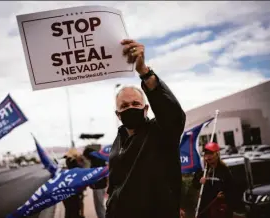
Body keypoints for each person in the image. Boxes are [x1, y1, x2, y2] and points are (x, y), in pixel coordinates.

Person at [105, 39, 186, 218]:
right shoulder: (118, 141)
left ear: (146, 108)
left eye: (136, 103)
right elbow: (116, 184)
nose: (130, 108)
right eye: (124, 106)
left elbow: (173, 113)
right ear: (118, 114)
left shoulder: (161, 132)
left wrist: (144, 72)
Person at [192, 142, 235, 218]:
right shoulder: (202, 170)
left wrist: (224, 195)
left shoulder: (224, 170)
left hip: (220, 210)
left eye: (211, 153)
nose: (208, 156)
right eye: (206, 154)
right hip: (205, 209)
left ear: (217, 154)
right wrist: (200, 182)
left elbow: (231, 188)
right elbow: (194, 184)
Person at [83, 146, 107, 218]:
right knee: (101, 205)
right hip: (103, 185)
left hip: (98, 186)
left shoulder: (95, 161)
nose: (86, 159)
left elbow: (94, 175)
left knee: (99, 207)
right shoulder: (101, 158)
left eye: (86, 157)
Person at [63, 148, 85, 218]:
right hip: (75, 189)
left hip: (67, 189)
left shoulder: (67, 162)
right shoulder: (74, 163)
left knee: (69, 209)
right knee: (75, 209)